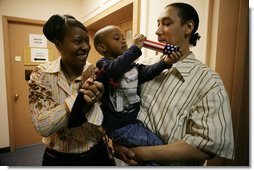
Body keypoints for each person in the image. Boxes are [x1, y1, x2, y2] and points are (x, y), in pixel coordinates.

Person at [113, 3, 235, 166]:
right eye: (158, 24)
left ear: (188, 27)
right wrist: (118, 142)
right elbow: (121, 106)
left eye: (167, 23)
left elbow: (206, 145)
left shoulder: (209, 82)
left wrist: (141, 153)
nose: (157, 31)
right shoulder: (143, 64)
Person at [28, 14, 115, 166]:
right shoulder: (42, 74)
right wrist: (81, 96)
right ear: (58, 44)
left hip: (98, 154)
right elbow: (43, 126)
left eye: (87, 41)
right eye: (77, 41)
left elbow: (108, 115)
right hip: (59, 159)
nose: (86, 47)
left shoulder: (96, 72)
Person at [93, 25, 180, 165]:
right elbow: (115, 69)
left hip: (132, 123)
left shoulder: (131, 64)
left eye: (123, 38)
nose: (123, 41)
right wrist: (135, 48)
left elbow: (145, 73)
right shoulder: (104, 65)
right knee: (158, 146)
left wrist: (164, 63)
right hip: (120, 127)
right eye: (117, 38)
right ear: (102, 48)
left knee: (147, 160)